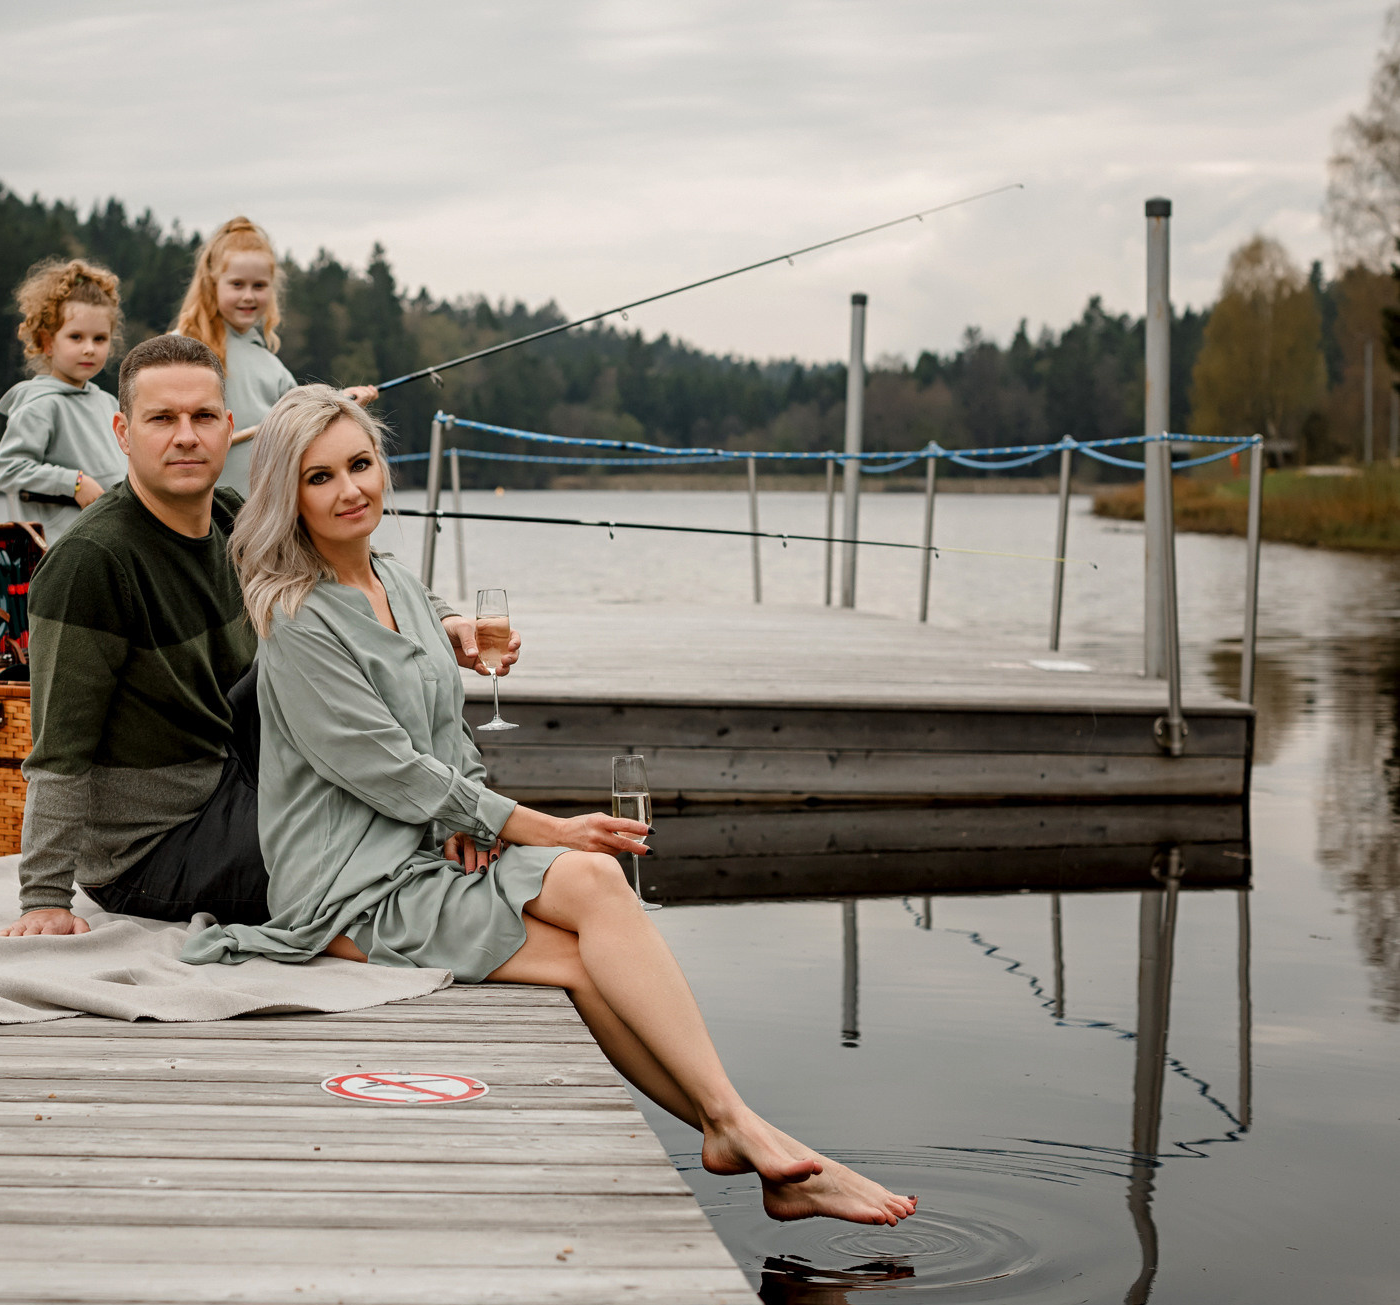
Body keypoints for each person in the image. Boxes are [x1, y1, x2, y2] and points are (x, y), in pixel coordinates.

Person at [182, 385, 920, 1229]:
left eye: (362, 464)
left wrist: (472, 826)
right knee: (585, 906)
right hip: (348, 883)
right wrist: (535, 826)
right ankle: (740, 1126)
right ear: (289, 494)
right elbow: (388, 771)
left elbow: (444, 738)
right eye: (322, 478)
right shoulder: (297, 620)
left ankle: (734, 1130)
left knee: (588, 922)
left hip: (424, 851)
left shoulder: (397, 580)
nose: (352, 490)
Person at [3, 336, 511, 937]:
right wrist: (44, 896)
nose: (186, 436)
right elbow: (60, 746)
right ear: (122, 431)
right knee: (373, 855)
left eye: (203, 417)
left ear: (229, 427)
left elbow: (355, 573)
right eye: (162, 419)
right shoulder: (90, 563)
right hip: (152, 844)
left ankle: (469, 824)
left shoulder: (230, 520)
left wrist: (445, 619)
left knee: (386, 796)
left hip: (242, 773)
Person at [172, 216, 379, 492]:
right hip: (193, 511)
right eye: (237, 285)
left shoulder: (274, 368)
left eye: (259, 286)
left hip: (257, 515)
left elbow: (301, 436)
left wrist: (338, 406)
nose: (249, 296)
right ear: (212, 284)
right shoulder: (179, 348)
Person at [0, 257, 126, 543]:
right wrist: (74, 483)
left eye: (100, 339)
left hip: (110, 546)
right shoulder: (41, 404)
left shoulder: (109, 404)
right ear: (48, 342)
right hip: (58, 553)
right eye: (76, 337)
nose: (89, 348)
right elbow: (8, 468)